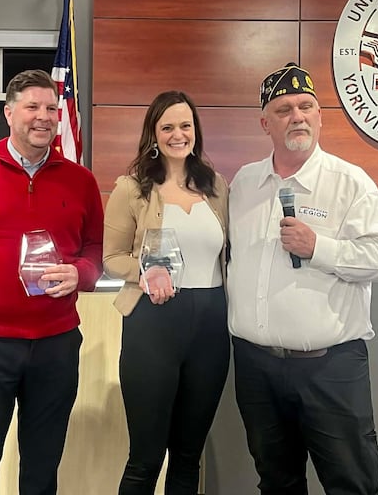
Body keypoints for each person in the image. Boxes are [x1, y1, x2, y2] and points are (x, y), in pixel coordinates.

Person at [227, 62, 378, 495]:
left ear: (321, 115)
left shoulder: (349, 183)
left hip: (330, 368)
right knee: (276, 481)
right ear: (265, 122)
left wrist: (320, 248)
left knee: (351, 483)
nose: (298, 116)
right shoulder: (244, 183)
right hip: (256, 367)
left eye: (307, 106)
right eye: (285, 109)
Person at [0, 68, 104, 495]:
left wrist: (80, 274)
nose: (43, 116)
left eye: (50, 108)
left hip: (56, 343)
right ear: (9, 113)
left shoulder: (80, 180)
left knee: (43, 466)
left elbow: (95, 250)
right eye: (32, 107)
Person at [104, 90, 230, 495]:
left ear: (196, 131)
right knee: (145, 458)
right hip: (153, 327)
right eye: (168, 127)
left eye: (186, 125)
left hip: (210, 329)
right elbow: (111, 258)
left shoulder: (217, 187)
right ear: (154, 135)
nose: (179, 134)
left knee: (188, 458)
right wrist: (144, 271)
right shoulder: (132, 188)